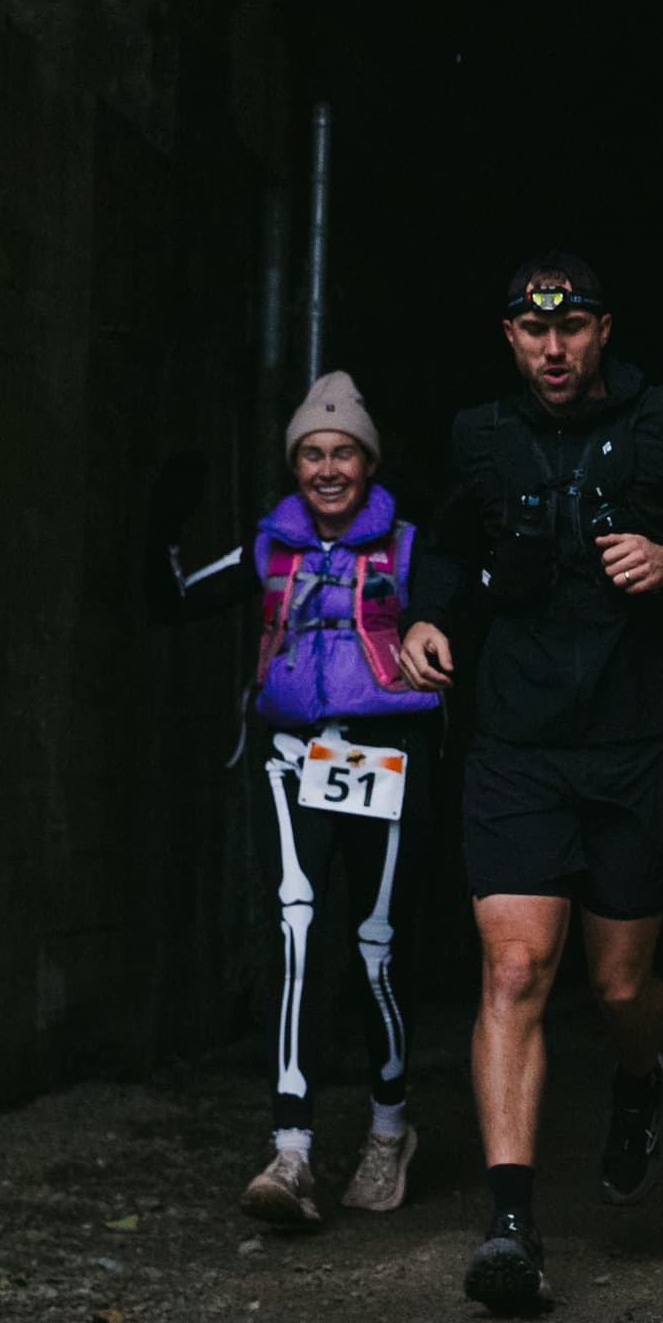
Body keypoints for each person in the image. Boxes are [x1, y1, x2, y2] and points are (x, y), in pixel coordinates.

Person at [396, 253, 663, 1315]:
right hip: (517, 740)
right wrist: (428, 617)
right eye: (530, 332)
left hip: (637, 739)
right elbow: (443, 544)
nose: (551, 350)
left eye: (570, 331)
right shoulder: (482, 435)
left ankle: (639, 1078)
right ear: (510, 338)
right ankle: (511, 1225)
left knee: (617, 988)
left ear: (603, 331)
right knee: (515, 972)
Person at [149, 371, 440, 1227]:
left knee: (377, 945)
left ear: (368, 461)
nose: (326, 468)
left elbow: (463, 616)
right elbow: (172, 602)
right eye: (311, 453)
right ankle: (293, 1150)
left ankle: (389, 1132)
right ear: (295, 465)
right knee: (297, 928)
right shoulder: (269, 545)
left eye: (342, 452)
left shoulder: (410, 549)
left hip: (385, 749)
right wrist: (161, 520)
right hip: (292, 751)